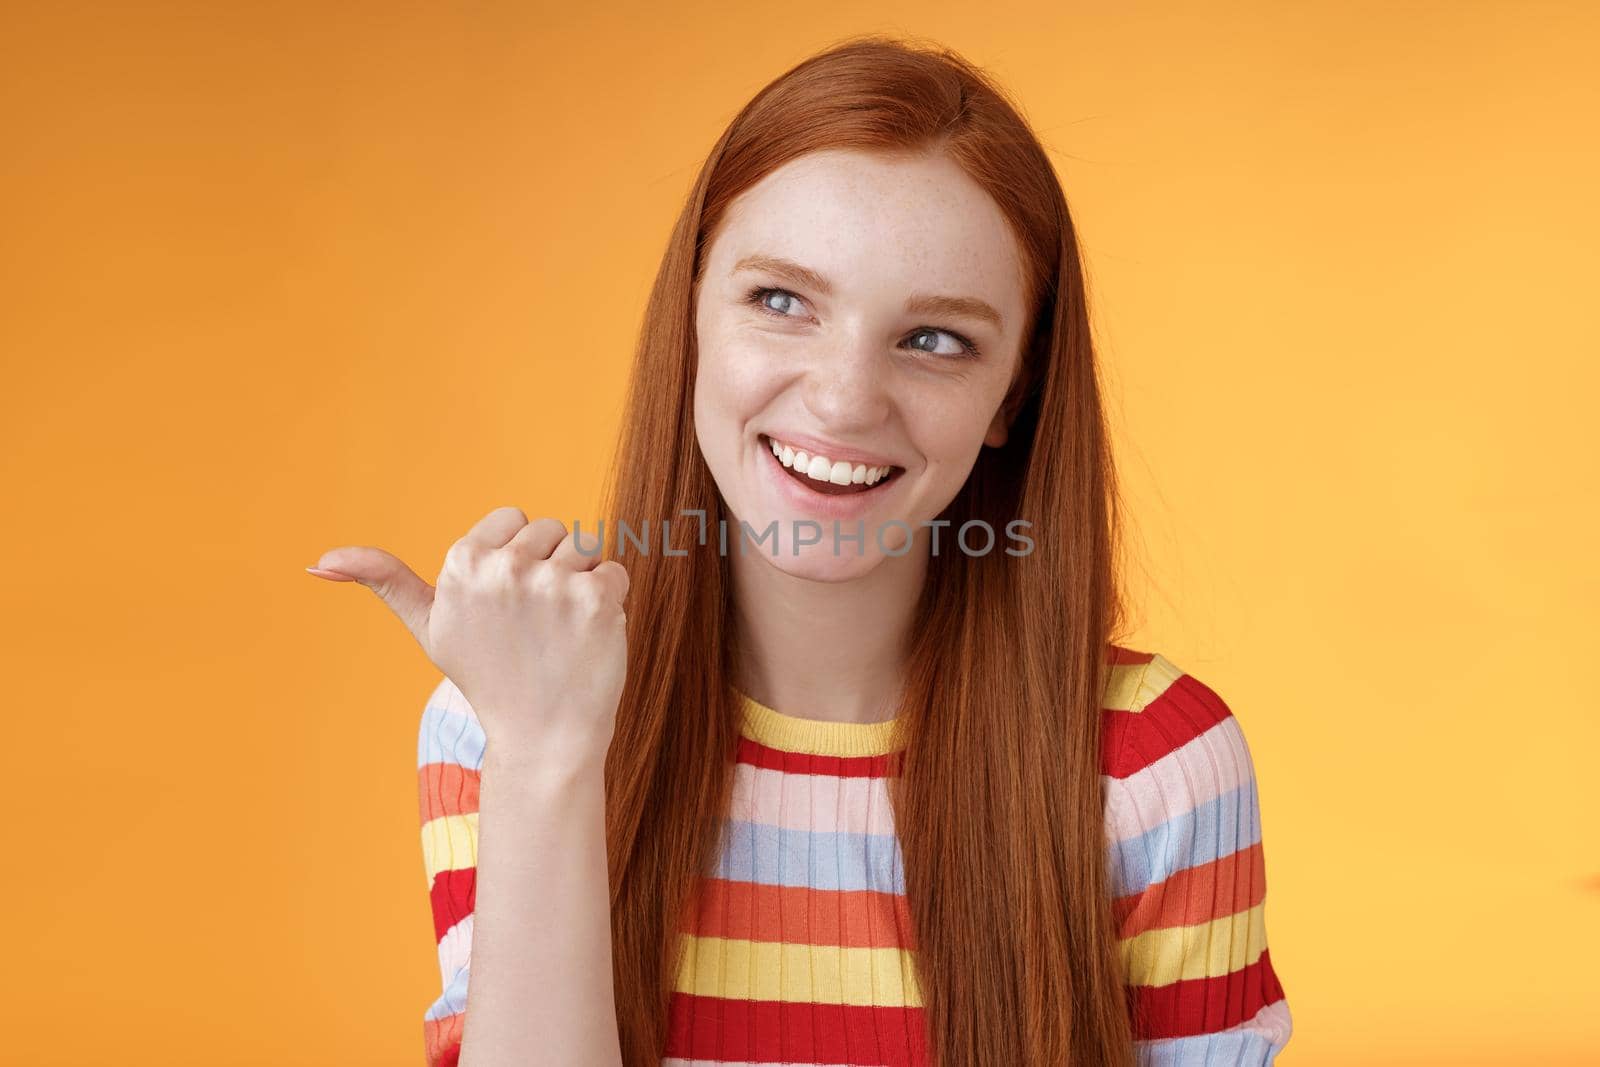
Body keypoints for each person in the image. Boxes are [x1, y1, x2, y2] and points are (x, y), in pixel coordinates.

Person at [309, 34, 1292, 1067]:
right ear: (690, 318)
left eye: (934, 339)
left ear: (1012, 395)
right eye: (781, 301)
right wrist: (543, 754)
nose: (842, 397)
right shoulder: (505, 715)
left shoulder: (1155, 766)